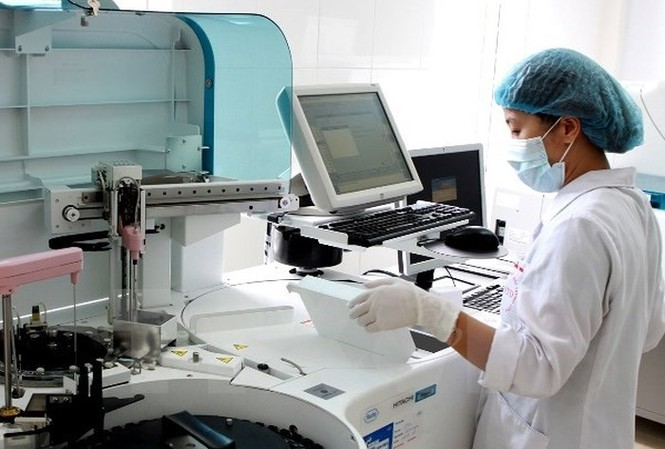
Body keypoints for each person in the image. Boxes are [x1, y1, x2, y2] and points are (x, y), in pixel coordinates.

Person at [348, 48, 665, 449]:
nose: (513, 143)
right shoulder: (631, 204)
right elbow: (649, 330)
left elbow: (535, 370)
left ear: (568, 128)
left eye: (516, 129)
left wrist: (430, 313)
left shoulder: (579, 226)